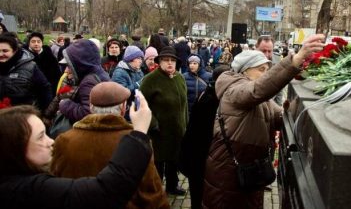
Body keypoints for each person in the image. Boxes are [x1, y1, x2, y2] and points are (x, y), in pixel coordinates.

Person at [202, 34, 325, 209]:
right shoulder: (234, 89)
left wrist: (298, 107)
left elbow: (280, 117)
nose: (265, 74)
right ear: (245, 70)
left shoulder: (259, 99)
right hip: (227, 175)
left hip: (250, 173)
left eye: (267, 69)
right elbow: (257, 90)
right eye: (261, 69)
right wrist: (295, 60)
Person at [0, 95, 154, 209]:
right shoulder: (31, 190)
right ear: (15, 147)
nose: (50, 141)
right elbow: (105, 192)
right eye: (40, 137)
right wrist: (139, 133)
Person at [50, 82, 170, 209]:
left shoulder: (64, 140)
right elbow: (150, 191)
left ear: (91, 107)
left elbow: (54, 184)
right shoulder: (136, 142)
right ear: (124, 108)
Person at [180, 65, 230, 209]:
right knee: (199, 192)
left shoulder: (208, 91)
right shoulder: (212, 99)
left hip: (194, 153)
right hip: (198, 156)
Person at [140, 46, 188, 196]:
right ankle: (156, 189)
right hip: (159, 132)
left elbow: (184, 104)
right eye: (166, 60)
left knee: (174, 160)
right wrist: (153, 124)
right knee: (158, 163)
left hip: (177, 130)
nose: (169, 63)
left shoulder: (180, 78)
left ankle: (172, 186)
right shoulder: (150, 80)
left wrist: (186, 123)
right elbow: (141, 103)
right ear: (159, 62)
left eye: (172, 60)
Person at [58, 39, 110, 125]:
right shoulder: (98, 73)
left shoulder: (89, 81)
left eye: (69, 66)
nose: (66, 71)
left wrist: (65, 105)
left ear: (80, 64)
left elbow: (87, 113)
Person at [0, 33, 52, 111]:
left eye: (5, 51)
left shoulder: (30, 67)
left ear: (14, 51)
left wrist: (45, 114)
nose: (0, 54)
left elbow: (45, 89)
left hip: (22, 116)